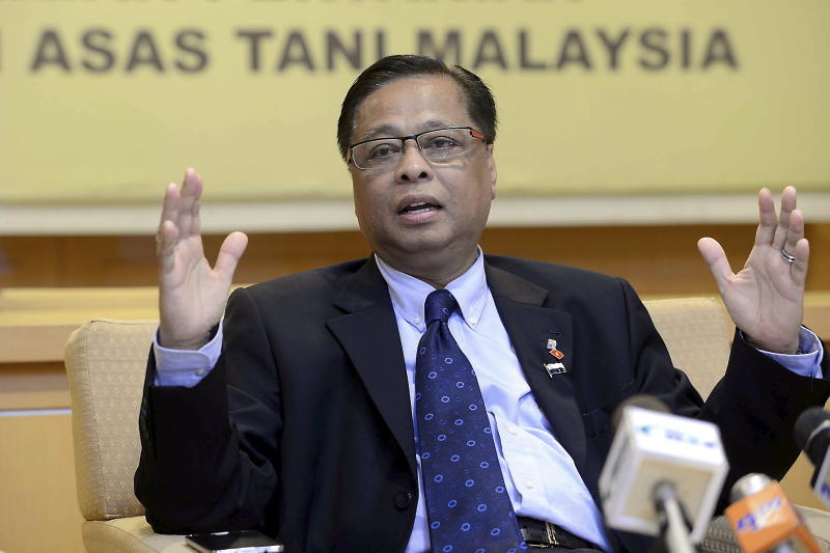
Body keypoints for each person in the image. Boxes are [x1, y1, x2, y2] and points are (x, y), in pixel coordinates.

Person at [135, 55, 829, 553]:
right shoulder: (281, 322)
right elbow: (199, 507)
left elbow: (696, 489)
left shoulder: (592, 308)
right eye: (381, 150)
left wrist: (772, 352)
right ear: (354, 181)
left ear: (489, 168)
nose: (412, 166)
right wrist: (188, 346)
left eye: (441, 143)